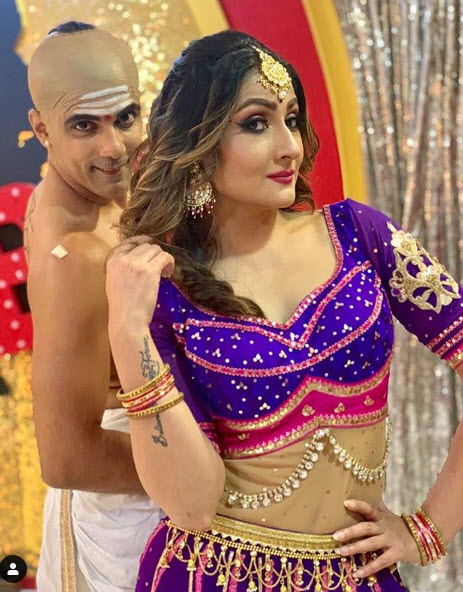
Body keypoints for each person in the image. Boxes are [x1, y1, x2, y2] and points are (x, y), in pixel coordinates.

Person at [106, 31, 463, 591]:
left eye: (291, 119)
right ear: (198, 143)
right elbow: (192, 506)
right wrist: (128, 333)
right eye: (256, 123)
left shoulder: (360, 235)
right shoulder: (167, 290)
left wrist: (428, 530)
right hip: (214, 575)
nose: (289, 146)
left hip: (358, 575)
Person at [25, 21, 163, 592]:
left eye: (125, 118)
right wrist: (215, 470)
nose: (114, 147)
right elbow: (67, 458)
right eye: (84, 125)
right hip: (129, 515)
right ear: (42, 129)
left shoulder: (91, 192)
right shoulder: (75, 254)